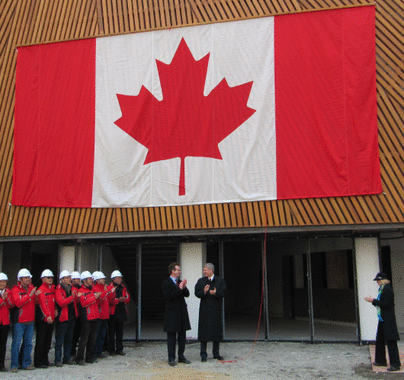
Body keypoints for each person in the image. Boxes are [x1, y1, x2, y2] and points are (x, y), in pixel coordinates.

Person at [364, 272, 401, 372]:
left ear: (383, 280)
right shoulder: (382, 289)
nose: (377, 282)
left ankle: (395, 364)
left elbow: (386, 304)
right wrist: (374, 301)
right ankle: (380, 360)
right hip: (383, 318)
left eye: (379, 281)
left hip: (388, 319)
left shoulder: (387, 289)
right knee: (380, 339)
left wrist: (373, 300)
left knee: (390, 341)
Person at [195, 263, 226, 362]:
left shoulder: (220, 280)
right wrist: (204, 292)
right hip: (205, 310)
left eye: (205, 270)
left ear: (211, 270)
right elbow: (196, 293)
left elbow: (224, 292)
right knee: (204, 332)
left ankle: (216, 353)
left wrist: (216, 293)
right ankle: (203, 354)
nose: (204, 272)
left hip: (216, 310)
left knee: (216, 331)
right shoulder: (201, 281)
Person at [162, 262, 191, 366]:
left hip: (181, 312)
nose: (179, 271)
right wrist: (179, 289)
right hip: (172, 313)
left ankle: (181, 356)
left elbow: (187, 294)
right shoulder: (166, 283)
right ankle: (171, 358)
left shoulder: (179, 281)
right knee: (171, 337)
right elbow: (169, 297)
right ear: (173, 271)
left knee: (182, 336)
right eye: (178, 270)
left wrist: (183, 287)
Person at [10, 268, 37, 372]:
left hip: (30, 320)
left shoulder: (31, 288)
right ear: (20, 279)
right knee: (16, 343)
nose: (28, 279)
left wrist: (36, 296)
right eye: (25, 278)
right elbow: (18, 303)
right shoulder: (15, 290)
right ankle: (14, 365)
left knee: (28, 343)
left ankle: (26, 363)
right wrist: (29, 295)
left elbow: (35, 302)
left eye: (28, 277)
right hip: (19, 321)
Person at [75, 271, 101, 365]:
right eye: (89, 279)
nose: (91, 280)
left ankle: (89, 357)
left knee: (92, 339)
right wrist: (94, 297)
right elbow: (83, 303)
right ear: (84, 280)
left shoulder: (92, 289)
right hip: (87, 317)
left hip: (95, 316)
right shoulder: (81, 291)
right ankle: (79, 358)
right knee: (84, 339)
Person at [34, 269, 57, 368]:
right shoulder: (41, 290)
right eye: (48, 277)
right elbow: (42, 304)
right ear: (43, 279)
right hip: (44, 319)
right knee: (41, 340)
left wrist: (55, 310)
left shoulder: (52, 289)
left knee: (48, 341)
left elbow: (53, 302)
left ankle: (45, 359)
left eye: (51, 277)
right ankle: (38, 361)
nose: (50, 279)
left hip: (50, 317)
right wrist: (47, 315)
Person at [55, 270, 77, 367]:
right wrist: (71, 298)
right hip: (63, 317)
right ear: (62, 279)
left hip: (71, 316)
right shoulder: (58, 289)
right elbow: (61, 302)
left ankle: (66, 358)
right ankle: (57, 359)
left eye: (69, 278)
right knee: (60, 340)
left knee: (69, 339)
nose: (69, 279)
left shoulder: (72, 288)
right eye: (67, 278)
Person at [93, 271, 115, 359]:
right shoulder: (95, 288)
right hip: (99, 315)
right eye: (102, 279)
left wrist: (110, 293)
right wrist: (107, 292)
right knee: (96, 335)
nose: (103, 280)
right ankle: (94, 353)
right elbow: (98, 300)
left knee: (102, 334)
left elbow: (109, 300)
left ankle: (99, 351)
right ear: (97, 280)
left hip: (105, 314)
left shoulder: (104, 288)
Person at [108, 270, 130, 356]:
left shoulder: (123, 287)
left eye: (120, 278)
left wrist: (124, 299)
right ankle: (111, 350)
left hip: (121, 311)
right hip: (113, 312)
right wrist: (118, 300)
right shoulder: (110, 288)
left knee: (120, 332)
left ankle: (120, 349)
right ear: (114, 279)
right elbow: (109, 299)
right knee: (112, 332)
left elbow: (128, 297)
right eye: (119, 278)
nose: (120, 279)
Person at [0, 272, 14, 372]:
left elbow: (11, 305)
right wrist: (3, 299)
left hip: (5, 321)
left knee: (3, 344)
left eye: (4, 282)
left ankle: (1, 365)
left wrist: (7, 300)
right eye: (1, 282)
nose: (3, 284)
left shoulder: (8, 291)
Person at [70, 271, 82, 357]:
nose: (78, 281)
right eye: (77, 279)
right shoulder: (71, 289)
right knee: (73, 334)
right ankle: (71, 352)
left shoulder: (79, 288)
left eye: (79, 279)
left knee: (77, 334)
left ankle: (73, 351)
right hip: (73, 314)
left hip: (79, 314)